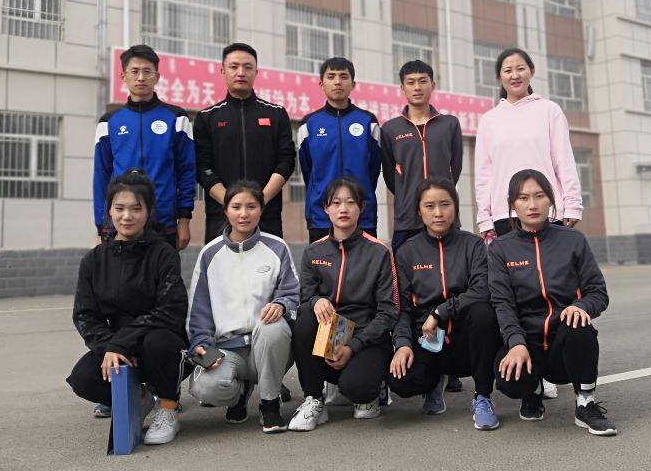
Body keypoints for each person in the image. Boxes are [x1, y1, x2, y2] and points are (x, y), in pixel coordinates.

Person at [474, 47, 582, 400]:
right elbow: (484, 172)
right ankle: (526, 363)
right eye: (507, 69)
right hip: (505, 215)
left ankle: (549, 365)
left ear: (531, 72)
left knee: (548, 289)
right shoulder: (490, 119)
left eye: (520, 68)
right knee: (514, 293)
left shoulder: (548, 111)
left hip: (545, 211)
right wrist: (485, 216)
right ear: (499, 77)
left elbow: (563, 159)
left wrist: (570, 203)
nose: (515, 74)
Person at [487, 169, 616, 436]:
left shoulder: (573, 241)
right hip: (528, 343)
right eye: (523, 198)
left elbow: (598, 293)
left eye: (539, 196)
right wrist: (516, 343)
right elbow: (502, 303)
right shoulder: (501, 248)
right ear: (512, 204)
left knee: (579, 324)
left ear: (551, 199)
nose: (532, 205)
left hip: (564, 343)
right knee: (509, 380)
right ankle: (532, 391)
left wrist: (581, 306)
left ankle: (585, 403)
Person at [66, 170, 190, 445]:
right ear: (109, 210)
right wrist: (109, 348)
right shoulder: (94, 260)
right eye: (119, 208)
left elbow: (171, 309)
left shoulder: (164, 254)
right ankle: (139, 398)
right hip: (119, 347)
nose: (127, 216)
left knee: (158, 343)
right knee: (83, 378)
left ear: (148, 212)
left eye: (136, 209)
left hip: (162, 342)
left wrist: (122, 342)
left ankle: (168, 406)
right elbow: (85, 315)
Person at [388, 178, 502, 430]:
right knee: (401, 381)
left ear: (455, 207)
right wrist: (403, 344)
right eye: (429, 206)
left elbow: (481, 291)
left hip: (465, 338)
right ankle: (432, 383)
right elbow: (403, 307)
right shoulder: (407, 252)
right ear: (419, 211)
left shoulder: (472, 245)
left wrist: (441, 312)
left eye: (445, 204)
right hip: (427, 339)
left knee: (484, 313)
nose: (438, 213)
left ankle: (482, 396)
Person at [186, 181, 300, 433]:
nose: (243, 213)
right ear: (226, 210)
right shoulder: (210, 254)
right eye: (236, 207)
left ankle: (270, 403)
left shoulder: (277, 247)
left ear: (261, 209)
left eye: (251, 206)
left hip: (268, 347)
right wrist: (201, 344)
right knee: (205, 388)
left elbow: (292, 293)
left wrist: (281, 304)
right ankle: (239, 393)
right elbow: (199, 309)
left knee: (273, 327)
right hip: (228, 351)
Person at [288, 178, 400, 431]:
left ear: (361, 207)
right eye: (336, 203)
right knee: (305, 315)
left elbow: (388, 311)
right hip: (328, 338)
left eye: (350, 202)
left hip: (366, 338)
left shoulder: (379, 252)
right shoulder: (313, 252)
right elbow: (305, 297)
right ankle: (314, 398)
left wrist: (353, 346)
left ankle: (373, 388)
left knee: (357, 389)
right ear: (326, 208)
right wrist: (316, 300)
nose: (343, 209)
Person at [381, 59, 465, 393]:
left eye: (423, 81)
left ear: (433, 84)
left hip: (445, 220)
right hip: (407, 221)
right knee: (408, 293)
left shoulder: (449, 125)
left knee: (449, 286)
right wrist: (410, 200)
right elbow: (391, 177)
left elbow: (454, 168)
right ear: (402, 87)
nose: (417, 87)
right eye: (411, 82)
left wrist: (438, 204)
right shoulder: (391, 129)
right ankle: (416, 353)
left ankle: (452, 362)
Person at [93, 44, 196, 250]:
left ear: (157, 77)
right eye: (134, 71)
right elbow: (101, 174)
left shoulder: (176, 118)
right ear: (123, 76)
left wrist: (184, 219)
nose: (141, 77)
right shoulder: (109, 122)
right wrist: (101, 225)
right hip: (122, 223)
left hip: (164, 223)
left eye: (147, 72)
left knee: (163, 272)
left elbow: (187, 170)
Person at [193, 43, 295, 243]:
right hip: (221, 216)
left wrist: (259, 201)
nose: (241, 72)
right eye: (234, 67)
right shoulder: (207, 117)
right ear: (223, 71)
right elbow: (201, 166)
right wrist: (231, 204)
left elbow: (286, 161)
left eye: (248, 67)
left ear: (256, 72)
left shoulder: (276, 114)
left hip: (267, 215)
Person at [298, 57, 382, 243]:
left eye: (344, 77)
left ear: (353, 84)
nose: (337, 82)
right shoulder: (309, 124)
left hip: (362, 214)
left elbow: (374, 169)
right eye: (331, 77)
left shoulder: (368, 122)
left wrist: (360, 194)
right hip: (321, 216)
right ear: (321, 84)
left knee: (364, 263)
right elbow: (308, 170)